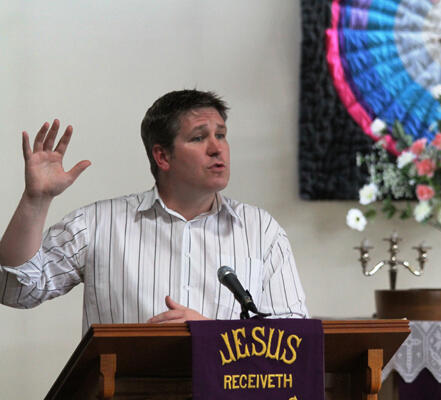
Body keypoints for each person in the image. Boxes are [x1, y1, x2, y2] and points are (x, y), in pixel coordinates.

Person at [0, 90, 308, 333]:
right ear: (162, 156)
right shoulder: (97, 225)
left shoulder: (260, 230)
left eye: (221, 135)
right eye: (199, 137)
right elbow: (15, 290)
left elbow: (295, 337)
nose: (217, 148)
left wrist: (211, 335)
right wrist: (35, 200)